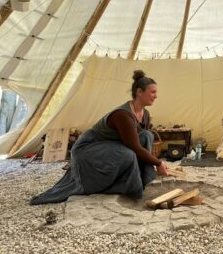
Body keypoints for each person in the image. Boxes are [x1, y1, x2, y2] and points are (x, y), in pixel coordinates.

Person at [30, 70, 169, 205]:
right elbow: (135, 147)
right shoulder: (123, 115)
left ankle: (142, 181)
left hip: (110, 147)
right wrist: (158, 163)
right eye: (153, 92)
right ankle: (126, 188)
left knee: (147, 135)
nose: (156, 96)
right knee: (128, 154)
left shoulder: (145, 114)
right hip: (87, 149)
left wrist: (154, 163)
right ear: (139, 92)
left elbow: (141, 141)